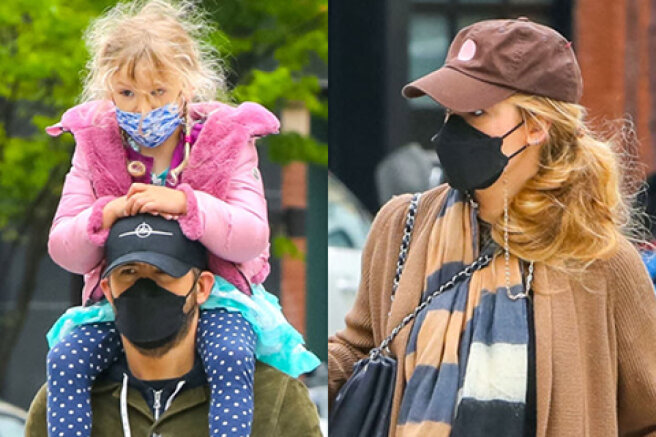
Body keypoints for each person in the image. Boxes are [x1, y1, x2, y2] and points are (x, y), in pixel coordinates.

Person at [329, 17, 656, 437]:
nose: (453, 129)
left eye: (477, 111)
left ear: (538, 126)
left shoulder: (602, 260)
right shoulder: (402, 226)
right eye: (450, 110)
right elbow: (357, 351)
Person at [43, 1, 319, 436]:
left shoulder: (225, 139)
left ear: (187, 84)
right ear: (106, 87)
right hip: (120, 299)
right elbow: (64, 247)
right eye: (127, 93)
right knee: (65, 359)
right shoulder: (95, 142)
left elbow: (250, 237)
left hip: (216, 295)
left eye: (158, 92)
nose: (144, 109)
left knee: (230, 355)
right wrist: (105, 213)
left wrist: (187, 206)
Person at [25, 214, 322, 436]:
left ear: (202, 287)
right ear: (108, 289)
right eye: (128, 272)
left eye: (163, 273)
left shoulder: (275, 398)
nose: (144, 287)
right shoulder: (60, 401)